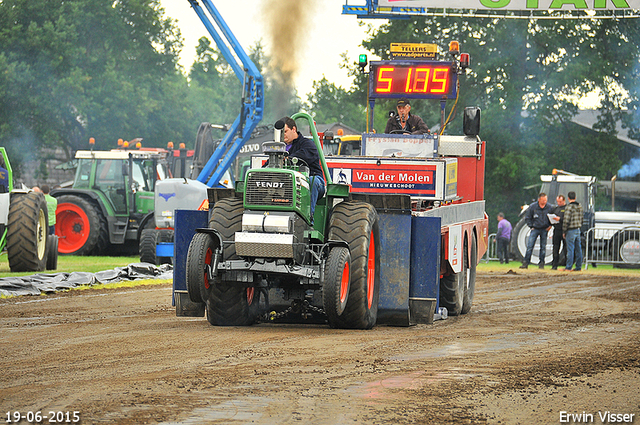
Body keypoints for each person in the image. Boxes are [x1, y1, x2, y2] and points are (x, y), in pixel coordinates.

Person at [282, 117, 325, 221]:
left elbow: (306, 155)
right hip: (289, 182)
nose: (283, 135)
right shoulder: (279, 148)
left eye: (285, 131)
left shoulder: (307, 144)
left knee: (311, 181)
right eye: (281, 132)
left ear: (294, 129)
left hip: (314, 181)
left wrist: (288, 159)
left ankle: (308, 218)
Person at [520, 192, 553, 269]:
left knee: (543, 247)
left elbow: (553, 217)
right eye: (543, 200)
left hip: (545, 229)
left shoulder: (549, 207)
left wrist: (550, 226)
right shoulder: (532, 207)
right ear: (539, 200)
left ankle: (541, 263)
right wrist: (531, 226)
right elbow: (527, 217)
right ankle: (525, 263)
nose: (544, 202)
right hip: (535, 229)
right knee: (530, 246)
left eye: (545, 200)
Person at [563, 191, 584, 272]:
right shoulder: (580, 206)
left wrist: (564, 231)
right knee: (578, 249)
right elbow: (582, 218)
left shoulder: (569, 207)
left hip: (570, 230)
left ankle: (568, 267)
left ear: (568, 198)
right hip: (577, 229)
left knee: (570, 249)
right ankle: (578, 267)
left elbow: (566, 220)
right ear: (575, 197)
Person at [550, 194, 567, 270]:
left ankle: (567, 265)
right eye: (558, 202)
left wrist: (560, 219)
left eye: (560, 202)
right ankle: (554, 265)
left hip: (564, 230)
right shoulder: (556, 209)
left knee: (566, 249)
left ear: (564, 201)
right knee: (555, 248)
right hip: (556, 230)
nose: (559, 203)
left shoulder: (567, 209)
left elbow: (567, 219)